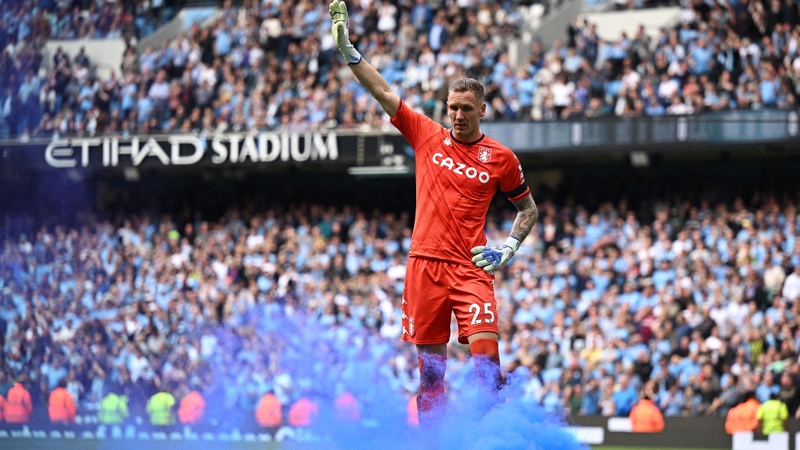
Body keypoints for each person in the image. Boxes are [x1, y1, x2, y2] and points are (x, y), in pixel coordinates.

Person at [328, 0, 538, 425]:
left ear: (482, 110)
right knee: (430, 374)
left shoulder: (501, 158)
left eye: (466, 108)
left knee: (486, 363)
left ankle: (494, 440)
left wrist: (510, 247)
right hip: (424, 265)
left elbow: (527, 208)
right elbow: (384, 92)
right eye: (452, 107)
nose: (458, 115)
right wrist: (349, 50)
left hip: (471, 268)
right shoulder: (427, 135)